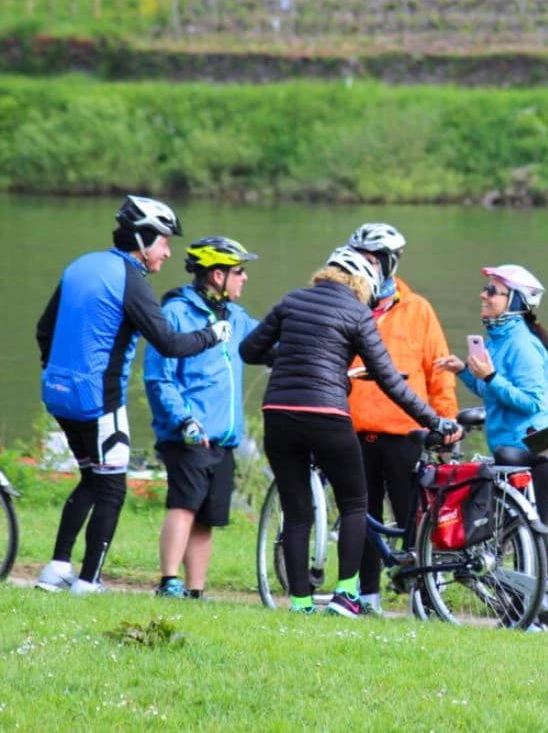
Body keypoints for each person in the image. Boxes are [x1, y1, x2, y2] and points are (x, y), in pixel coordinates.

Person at [239, 246, 459, 617]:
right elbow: (392, 381)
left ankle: (300, 603)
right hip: (326, 414)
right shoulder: (357, 312)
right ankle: (345, 595)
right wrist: (435, 420)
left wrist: (294, 357)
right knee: (356, 503)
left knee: (296, 514)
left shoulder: (292, 300)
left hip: (278, 413)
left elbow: (249, 349)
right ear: (361, 282)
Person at [35, 195, 231, 594]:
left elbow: (44, 329)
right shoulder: (131, 279)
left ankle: (56, 568)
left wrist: (57, 372)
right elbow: (170, 343)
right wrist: (213, 334)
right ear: (142, 240)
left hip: (58, 395)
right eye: (163, 242)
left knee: (91, 478)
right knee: (112, 486)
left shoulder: (81, 265)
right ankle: (89, 581)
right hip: (99, 400)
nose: (167, 252)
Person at [345, 223, 458, 616]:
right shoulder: (345, 303)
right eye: (360, 258)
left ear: (389, 263)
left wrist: (445, 422)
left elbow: (439, 372)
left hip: (406, 433)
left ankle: (421, 598)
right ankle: (366, 597)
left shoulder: (418, 309)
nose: (365, 266)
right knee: (359, 519)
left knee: (414, 519)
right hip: (355, 432)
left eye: (372, 259)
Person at [144, 236, 260, 599]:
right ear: (215, 275)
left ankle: (195, 590)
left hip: (223, 436)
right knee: (184, 506)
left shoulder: (236, 317)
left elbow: (268, 341)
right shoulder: (177, 314)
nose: (245, 278)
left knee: (208, 517)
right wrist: (185, 421)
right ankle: (169, 581)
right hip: (188, 433)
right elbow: (158, 376)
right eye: (238, 272)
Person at [435, 264, 548, 529]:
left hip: (529, 450)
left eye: (493, 291)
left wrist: (492, 377)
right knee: (501, 535)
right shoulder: (496, 340)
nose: (483, 295)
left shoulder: (522, 345)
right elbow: (488, 392)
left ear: (514, 301)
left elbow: (533, 402)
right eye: (485, 289)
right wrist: (465, 371)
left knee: (528, 535)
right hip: (506, 451)